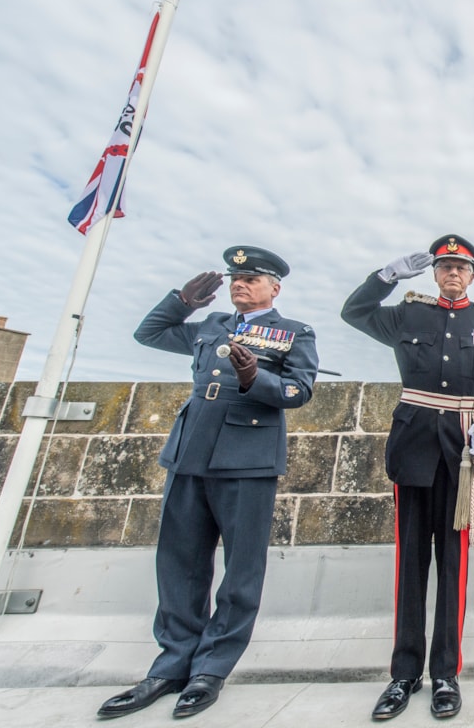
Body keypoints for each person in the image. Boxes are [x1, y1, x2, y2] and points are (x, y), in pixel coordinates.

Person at [97, 246, 318, 719]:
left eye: (252, 279)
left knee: (241, 572)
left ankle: (211, 668)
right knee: (179, 564)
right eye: (235, 278)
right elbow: (149, 333)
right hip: (190, 453)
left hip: (247, 457)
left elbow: (298, 391)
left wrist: (253, 377)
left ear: (274, 287)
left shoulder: (293, 332)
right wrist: (182, 301)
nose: (240, 284)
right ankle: (171, 664)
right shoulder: (210, 325)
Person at [341, 234, 474, 721]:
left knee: (453, 569)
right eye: (444, 266)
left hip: (462, 453)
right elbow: (353, 312)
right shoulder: (406, 313)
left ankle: (446, 674)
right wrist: (386, 276)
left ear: (473, 274)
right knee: (410, 567)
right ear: (433, 272)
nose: (452, 273)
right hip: (414, 449)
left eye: (461, 267)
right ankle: (403, 674)